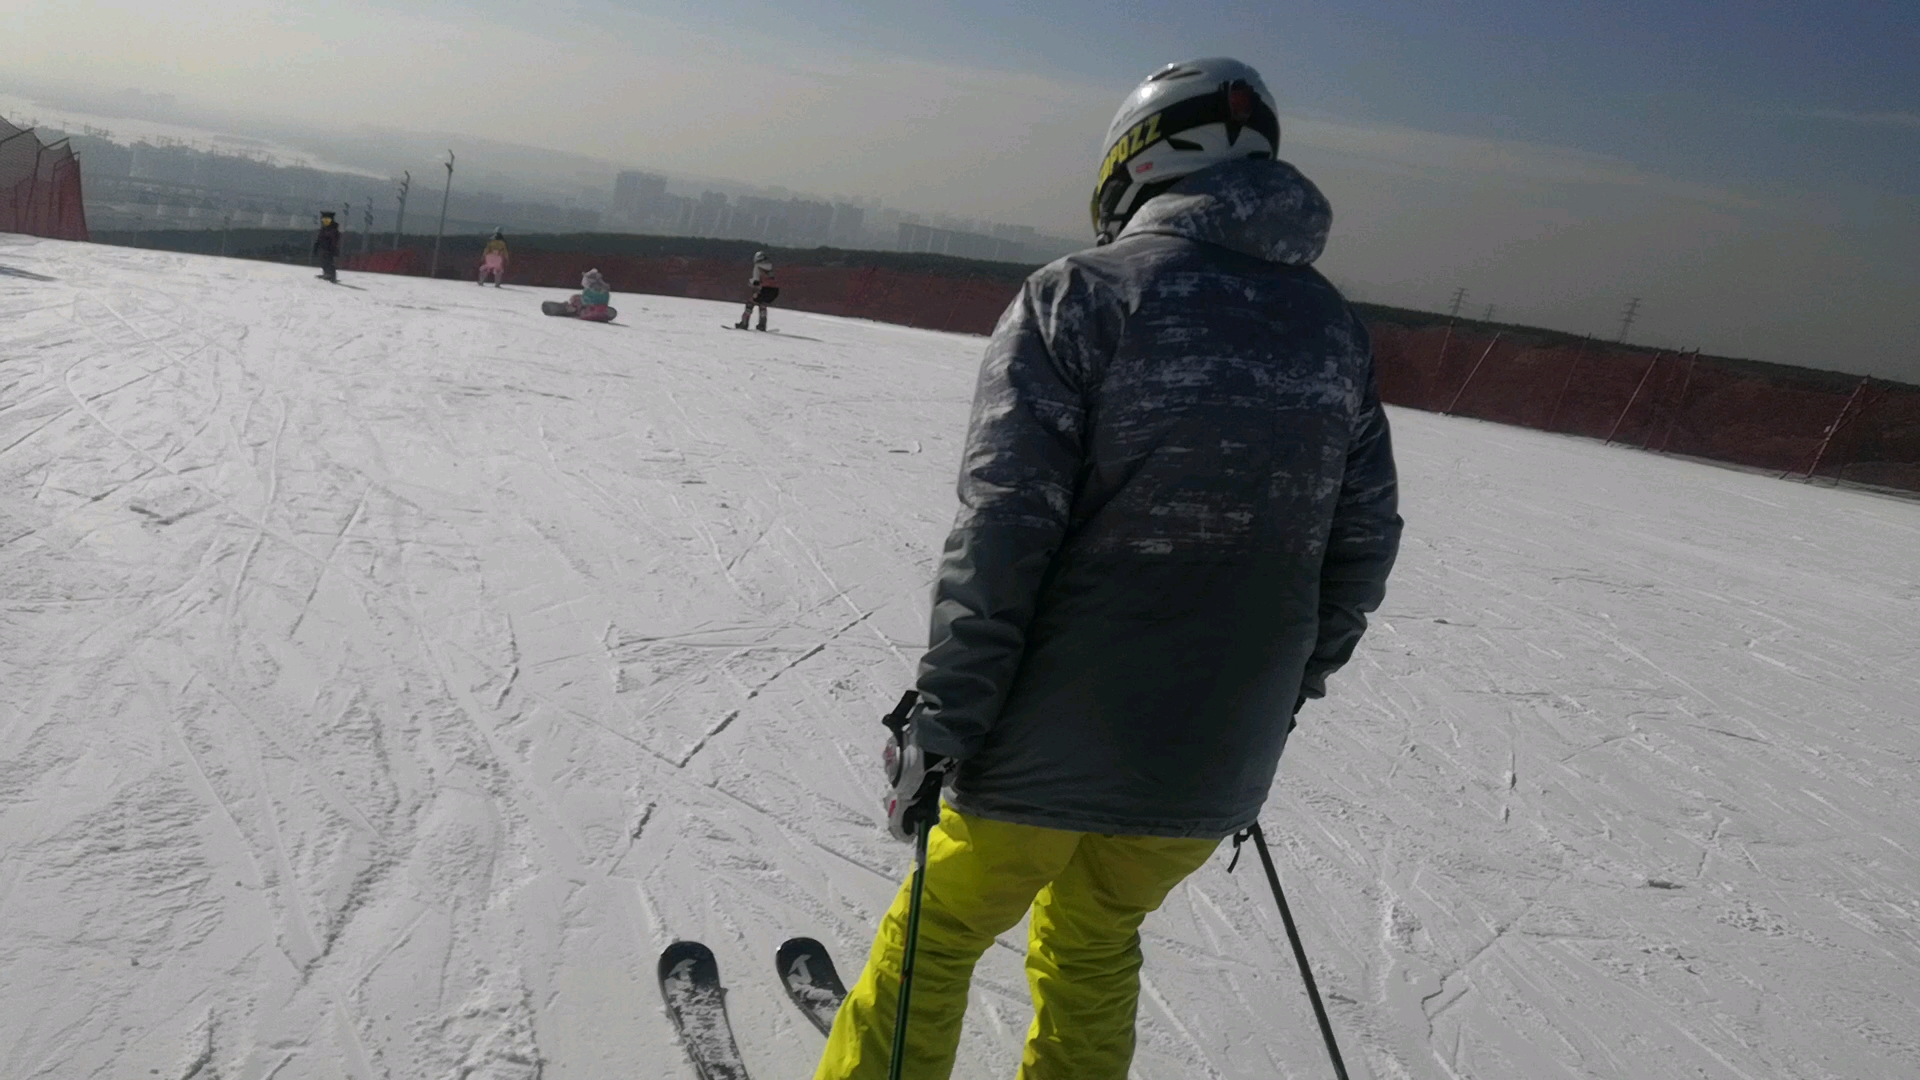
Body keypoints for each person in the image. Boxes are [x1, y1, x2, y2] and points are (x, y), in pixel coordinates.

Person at [815, 57, 1402, 1080]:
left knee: (941, 934)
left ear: (1137, 162)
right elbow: (1359, 548)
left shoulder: (1080, 298)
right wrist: (1279, 693)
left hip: (1044, 750)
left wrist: (944, 725)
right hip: (1212, 755)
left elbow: (1003, 531)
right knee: (1094, 941)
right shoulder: (1331, 333)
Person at [734, 250, 778, 330]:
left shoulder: (758, 267)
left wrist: (751, 282)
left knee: (750, 304)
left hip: (764, 289)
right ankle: (762, 325)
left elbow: (756, 280)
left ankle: (744, 323)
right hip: (774, 291)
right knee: (762, 305)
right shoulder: (770, 267)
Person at [312, 210, 342, 282]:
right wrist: (316, 246)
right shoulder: (323, 229)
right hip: (322, 248)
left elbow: (335, 240)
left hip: (329, 249)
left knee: (328, 261)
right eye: (324, 220)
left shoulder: (333, 230)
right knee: (322, 260)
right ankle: (326, 273)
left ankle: (331, 275)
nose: (325, 222)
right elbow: (319, 238)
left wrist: (333, 248)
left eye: (327, 220)